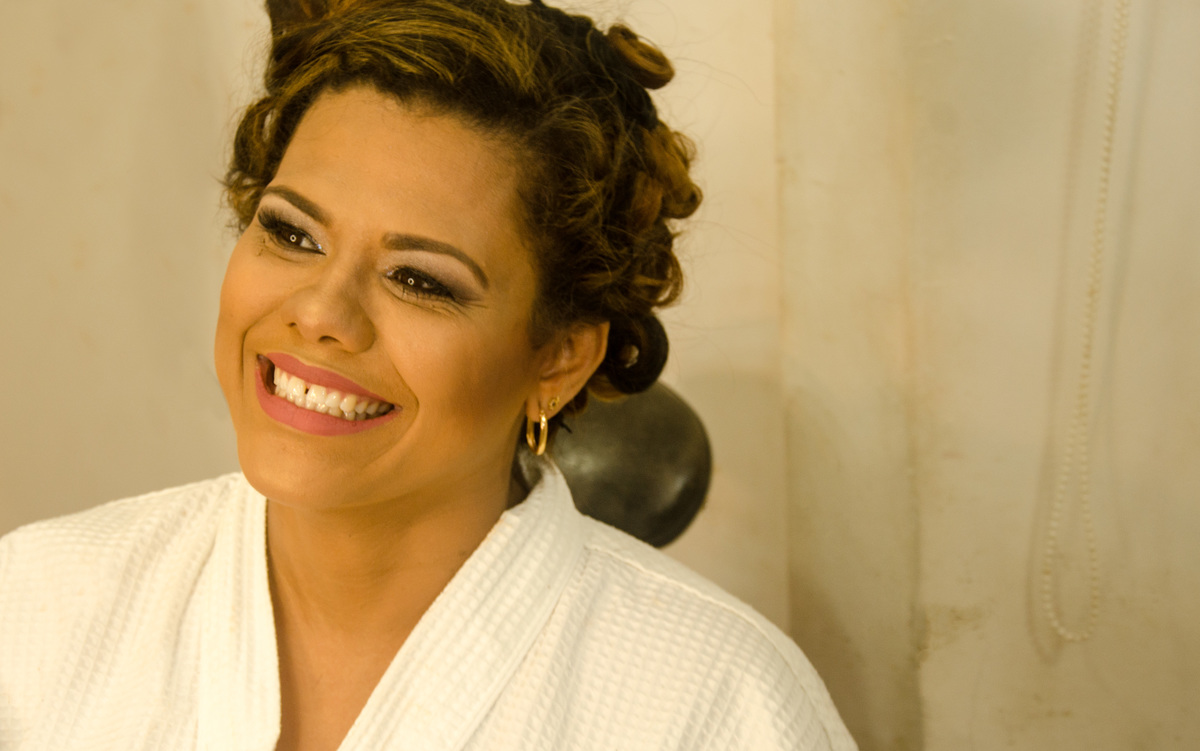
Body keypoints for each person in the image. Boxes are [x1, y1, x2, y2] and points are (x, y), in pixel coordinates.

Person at [0, 0, 856, 748]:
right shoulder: (36, 607)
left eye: (420, 280)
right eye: (292, 233)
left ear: (558, 357)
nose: (322, 311)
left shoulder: (718, 702)